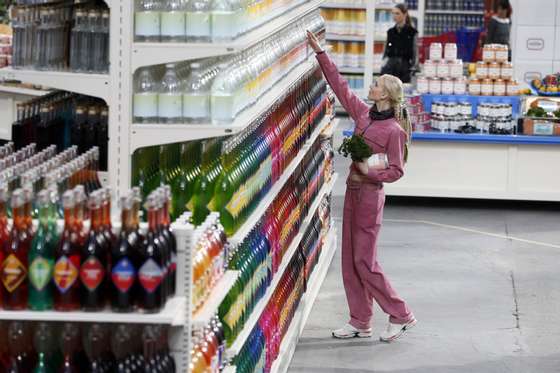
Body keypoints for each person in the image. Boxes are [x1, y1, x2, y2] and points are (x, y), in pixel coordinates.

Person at [307, 30, 417, 343]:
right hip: (353, 195)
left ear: (385, 95)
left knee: (365, 262)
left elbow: (397, 170)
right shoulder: (363, 115)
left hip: (370, 197)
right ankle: (360, 320)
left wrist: (370, 171)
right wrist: (321, 53)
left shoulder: (394, 131)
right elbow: (340, 87)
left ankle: (400, 313)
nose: (370, 86)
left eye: (376, 84)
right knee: (349, 261)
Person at [380, 3, 418, 84]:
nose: (394, 16)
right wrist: (383, 64)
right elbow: (385, 51)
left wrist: (414, 68)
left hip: (404, 68)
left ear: (405, 14)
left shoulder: (412, 32)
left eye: (397, 13)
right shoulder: (390, 32)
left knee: (402, 93)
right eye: (393, 13)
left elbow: (415, 52)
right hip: (390, 67)